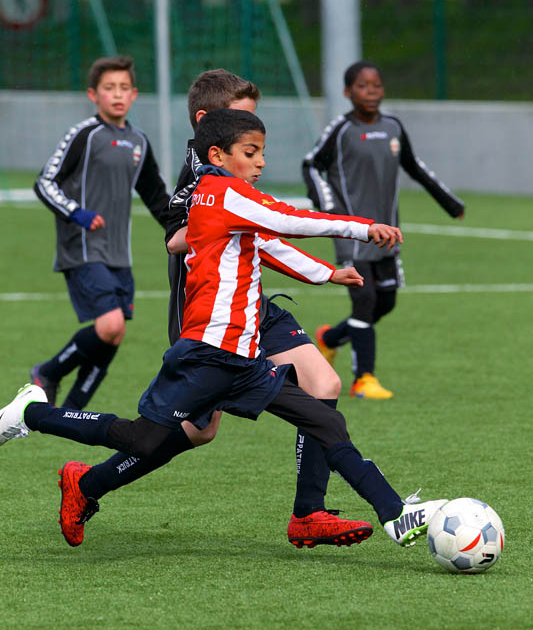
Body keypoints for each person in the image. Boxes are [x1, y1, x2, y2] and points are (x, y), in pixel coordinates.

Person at [0, 108, 447, 552]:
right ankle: (32, 414)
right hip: (207, 356)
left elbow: (267, 243)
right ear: (217, 154)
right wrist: (365, 228)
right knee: (143, 440)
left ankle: (394, 514)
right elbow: (288, 219)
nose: (261, 162)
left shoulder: (223, 198)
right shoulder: (223, 192)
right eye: (251, 152)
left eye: (262, 152)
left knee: (326, 420)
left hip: (244, 361)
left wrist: (327, 273)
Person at [166, 69, 368, 548]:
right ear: (207, 125)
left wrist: (322, 271)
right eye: (242, 124)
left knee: (324, 383)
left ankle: (309, 513)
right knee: (198, 430)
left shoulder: (232, 174)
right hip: (210, 318)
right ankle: (93, 477)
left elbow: (261, 234)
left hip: (255, 307)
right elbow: (176, 240)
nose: (253, 138)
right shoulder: (198, 177)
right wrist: (226, 218)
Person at [303, 60, 465, 399]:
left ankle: (330, 339)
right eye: (363, 86)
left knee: (386, 301)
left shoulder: (393, 127)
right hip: (351, 232)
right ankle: (364, 379)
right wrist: (329, 209)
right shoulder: (341, 130)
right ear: (348, 92)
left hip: (386, 232)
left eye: (376, 85)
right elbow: (311, 164)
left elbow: (415, 166)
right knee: (365, 299)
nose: (371, 92)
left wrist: (450, 204)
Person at [31, 55, 176, 410]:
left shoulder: (139, 141)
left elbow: (157, 198)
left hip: (118, 253)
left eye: (124, 88)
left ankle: (71, 413)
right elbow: (45, 182)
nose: (118, 94)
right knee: (110, 325)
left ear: (135, 94)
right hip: (81, 247)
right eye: (109, 88)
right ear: (93, 94)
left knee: (114, 334)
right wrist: (75, 213)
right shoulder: (84, 134)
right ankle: (48, 372)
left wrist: (186, 232)